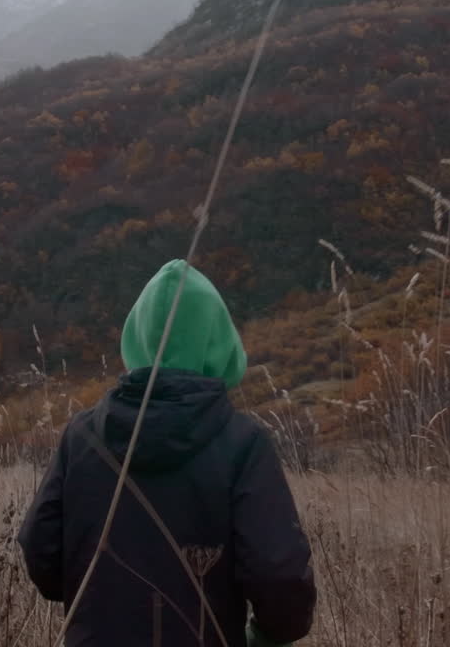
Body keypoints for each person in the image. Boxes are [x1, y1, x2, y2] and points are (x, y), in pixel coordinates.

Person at [18, 259, 317, 646]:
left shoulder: (82, 436)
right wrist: (265, 637)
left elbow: (42, 554)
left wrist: (97, 602)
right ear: (220, 341)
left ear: (135, 337)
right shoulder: (243, 442)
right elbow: (279, 574)